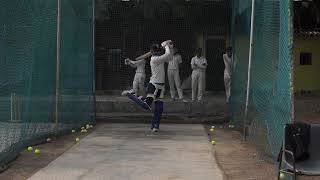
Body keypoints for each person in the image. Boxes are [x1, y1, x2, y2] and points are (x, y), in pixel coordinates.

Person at [144, 40, 173, 132]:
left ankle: (155, 126)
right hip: (153, 85)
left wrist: (170, 47)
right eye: (155, 50)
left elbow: (170, 57)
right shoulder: (154, 59)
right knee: (146, 105)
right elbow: (167, 54)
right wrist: (166, 46)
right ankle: (132, 94)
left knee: (159, 108)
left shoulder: (160, 58)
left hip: (160, 86)